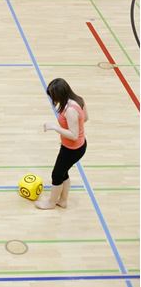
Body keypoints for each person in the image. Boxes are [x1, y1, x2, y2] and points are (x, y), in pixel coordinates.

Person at [36, 78, 88, 209]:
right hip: (76, 146)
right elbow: (85, 118)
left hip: (72, 149)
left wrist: (56, 127)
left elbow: (74, 135)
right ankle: (63, 201)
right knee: (63, 172)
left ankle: (51, 203)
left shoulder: (70, 110)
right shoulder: (78, 100)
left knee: (57, 175)